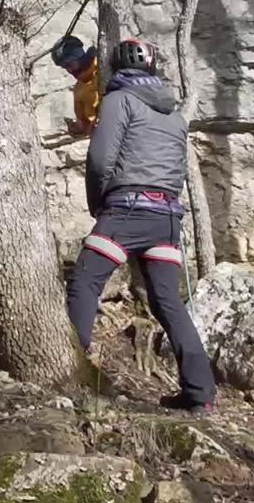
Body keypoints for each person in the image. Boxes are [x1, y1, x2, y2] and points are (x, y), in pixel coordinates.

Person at [66, 38, 216, 414]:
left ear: (117, 69)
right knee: (169, 304)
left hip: (126, 210)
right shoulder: (175, 115)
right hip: (166, 217)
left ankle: (68, 373)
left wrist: (98, 204)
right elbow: (178, 170)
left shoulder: (118, 101)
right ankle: (201, 393)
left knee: (85, 282)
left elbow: (101, 160)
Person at [51, 35, 99, 136]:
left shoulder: (103, 69)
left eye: (69, 64)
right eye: (64, 67)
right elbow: (85, 124)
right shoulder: (79, 89)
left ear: (79, 56)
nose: (69, 70)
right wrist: (77, 128)